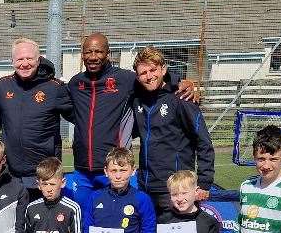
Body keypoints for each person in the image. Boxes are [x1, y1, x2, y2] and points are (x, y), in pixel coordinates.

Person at [66, 33, 200, 217]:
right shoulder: (75, 83)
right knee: (85, 220)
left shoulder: (125, 79)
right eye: (88, 52)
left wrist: (179, 81)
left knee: (119, 219)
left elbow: (152, 77)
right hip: (82, 171)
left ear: (108, 53)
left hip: (114, 169)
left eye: (99, 51)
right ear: (82, 54)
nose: (93, 56)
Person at [130, 47, 215, 213]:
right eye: (143, 73)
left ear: (163, 69)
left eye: (153, 70)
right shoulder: (137, 100)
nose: (149, 76)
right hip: (146, 185)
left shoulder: (182, 97)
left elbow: (203, 140)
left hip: (176, 188)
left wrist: (205, 181)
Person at [0, 38, 73, 193]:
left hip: (44, 175)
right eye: (19, 59)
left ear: (38, 60)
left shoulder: (55, 88)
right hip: (10, 173)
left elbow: (80, 115)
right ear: (12, 61)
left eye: (29, 58)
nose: (24, 63)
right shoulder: (4, 85)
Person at [84, 147, 156, 233]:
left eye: (123, 171)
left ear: (132, 171)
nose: (118, 176)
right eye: (113, 171)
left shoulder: (142, 199)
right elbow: (86, 230)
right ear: (106, 171)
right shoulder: (95, 197)